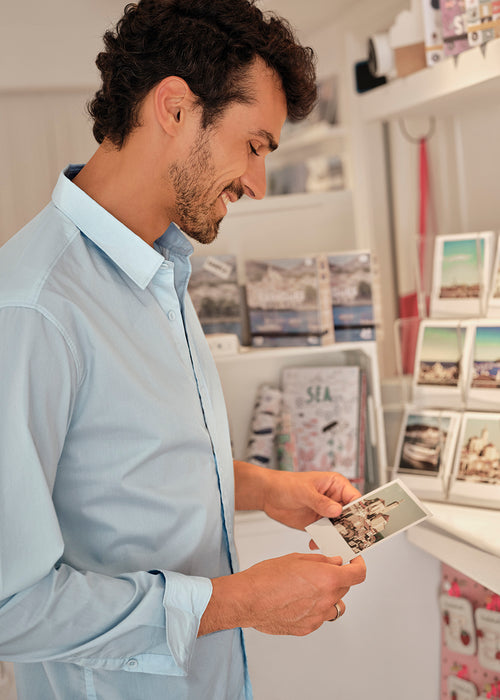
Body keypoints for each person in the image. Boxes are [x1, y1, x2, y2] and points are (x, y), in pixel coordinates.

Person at [0, 1, 367, 698]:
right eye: (254, 145)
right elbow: (8, 603)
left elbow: (122, 461)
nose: (257, 183)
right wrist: (240, 602)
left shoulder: (159, 270)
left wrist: (263, 489)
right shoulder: (31, 310)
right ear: (174, 107)